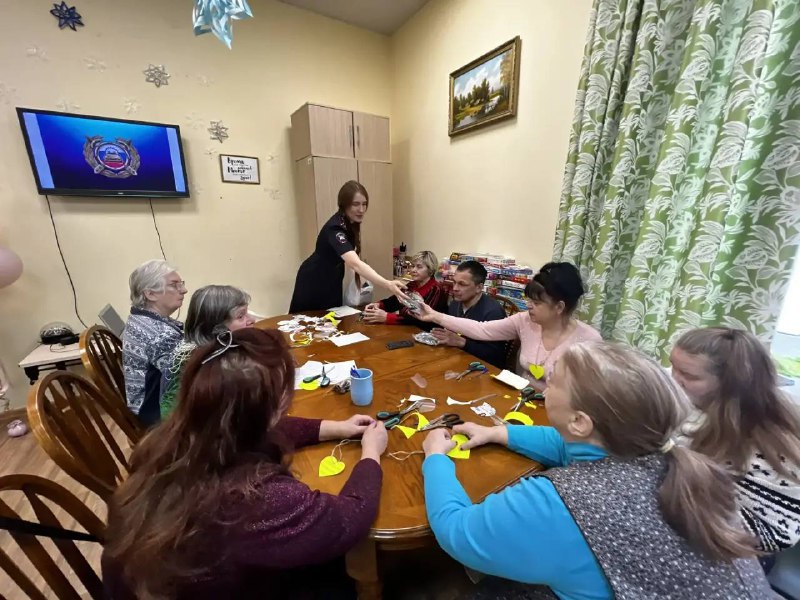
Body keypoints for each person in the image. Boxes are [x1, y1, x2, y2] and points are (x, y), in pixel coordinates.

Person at [421, 341, 772, 599]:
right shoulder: (675, 461)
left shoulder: (558, 504)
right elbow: (574, 445)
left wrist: (435, 457)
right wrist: (501, 432)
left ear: (579, 420)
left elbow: (456, 532)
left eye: (554, 382)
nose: (543, 387)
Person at [103, 328, 388, 599]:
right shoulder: (259, 499)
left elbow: (263, 430)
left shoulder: (173, 438)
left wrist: (334, 428)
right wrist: (371, 454)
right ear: (268, 411)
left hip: (161, 577)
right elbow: (350, 518)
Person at [670, 327, 800, 553]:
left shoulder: (772, 445)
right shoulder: (694, 401)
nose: (674, 379)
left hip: (739, 550)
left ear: (729, 384)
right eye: (674, 366)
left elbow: (773, 535)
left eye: (689, 376)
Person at [414, 262, 600, 389]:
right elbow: (482, 329)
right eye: (529, 300)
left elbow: (587, 399)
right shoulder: (524, 320)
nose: (528, 306)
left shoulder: (589, 341)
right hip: (521, 400)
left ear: (559, 307)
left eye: (536, 303)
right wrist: (435, 316)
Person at [289, 180, 409, 312]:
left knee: (331, 320)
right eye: (355, 204)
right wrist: (387, 283)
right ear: (344, 205)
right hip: (314, 277)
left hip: (333, 276)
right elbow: (355, 263)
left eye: (364, 204)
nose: (361, 210)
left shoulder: (349, 222)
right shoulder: (335, 228)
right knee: (306, 322)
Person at [160, 285, 255, 419]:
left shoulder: (214, 348)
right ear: (216, 328)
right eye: (241, 316)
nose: (252, 320)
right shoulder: (200, 363)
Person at [122, 259, 186, 427]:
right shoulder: (160, 335)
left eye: (181, 284)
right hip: (156, 414)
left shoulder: (140, 317)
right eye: (174, 285)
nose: (184, 290)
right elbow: (190, 376)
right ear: (150, 294)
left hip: (143, 403)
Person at [429, 260, 507, 368]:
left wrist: (462, 342)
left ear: (479, 288)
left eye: (462, 284)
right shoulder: (455, 303)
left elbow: (495, 356)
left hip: (482, 371)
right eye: (454, 282)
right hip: (454, 361)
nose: (455, 288)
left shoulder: (493, 312)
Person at [363, 250, 448, 331]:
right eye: (412, 266)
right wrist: (378, 304)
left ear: (430, 269)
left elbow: (422, 320)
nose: (413, 270)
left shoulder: (436, 289)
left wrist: (387, 317)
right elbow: (394, 301)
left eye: (419, 267)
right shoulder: (412, 284)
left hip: (425, 333)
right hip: (406, 330)